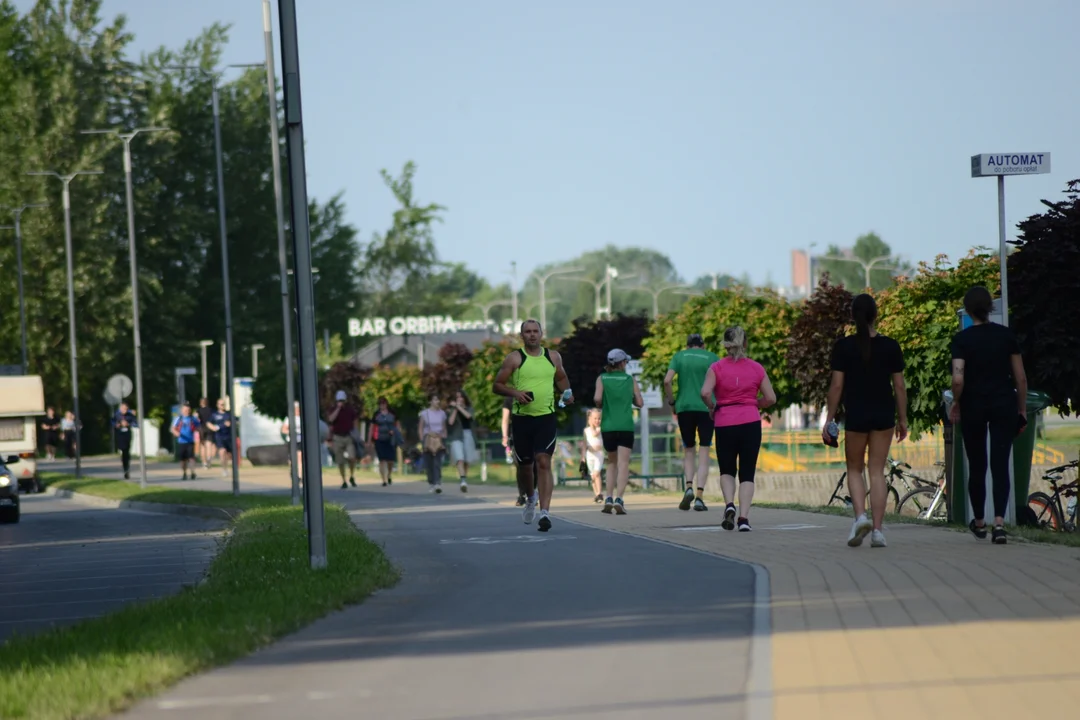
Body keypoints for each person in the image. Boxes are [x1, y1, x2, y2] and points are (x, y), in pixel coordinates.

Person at [823, 294, 908, 548]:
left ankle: (860, 517)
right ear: (875, 315)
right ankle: (878, 532)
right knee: (877, 472)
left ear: (853, 316)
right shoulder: (891, 346)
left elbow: (836, 387)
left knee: (855, 469)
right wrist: (902, 419)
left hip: (857, 415)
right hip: (884, 415)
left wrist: (829, 418)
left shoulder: (844, 347)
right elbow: (900, 387)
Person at [949, 286, 1027, 545]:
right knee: (1000, 463)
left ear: (969, 310)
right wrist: (1022, 409)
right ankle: (1000, 524)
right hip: (1004, 404)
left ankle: (980, 522)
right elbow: (1021, 378)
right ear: (990, 308)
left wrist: (956, 402)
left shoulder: (962, 340)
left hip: (973, 406)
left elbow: (958, 379)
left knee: (978, 464)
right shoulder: (1006, 336)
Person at [492, 319, 574, 532]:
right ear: (522, 336)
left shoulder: (553, 357)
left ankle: (545, 512)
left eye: (535, 331)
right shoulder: (515, 358)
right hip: (522, 419)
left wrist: (568, 393)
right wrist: (516, 393)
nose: (532, 335)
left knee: (543, 461)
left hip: (546, 417)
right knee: (525, 467)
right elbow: (497, 385)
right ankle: (530, 498)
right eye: (527, 332)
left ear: (541, 333)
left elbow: (562, 378)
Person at [701, 326, 777, 532]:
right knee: (747, 472)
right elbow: (771, 398)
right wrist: (754, 404)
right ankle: (743, 519)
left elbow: (705, 392)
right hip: (750, 422)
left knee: (726, 469)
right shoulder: (756, 368)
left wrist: (712, 407)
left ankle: (729, 505)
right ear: (745, 343)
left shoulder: (715, 368)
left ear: (725, 345)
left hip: (724, 422)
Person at [664, 333, 720, 512]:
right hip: (706, 408)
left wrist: (672, 401)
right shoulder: (711, 357)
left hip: (684, 407)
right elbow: (719, 383)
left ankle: (688, 486)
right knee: (704, 450)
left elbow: (667, 381)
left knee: (689, 449)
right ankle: (700, 496)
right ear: (702, 345)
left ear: (688, 346)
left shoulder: (679, 356)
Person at [595, 349, 644, 515]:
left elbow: (597, 399)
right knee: (624, 463)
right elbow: (640, 402)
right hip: (625, 426)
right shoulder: (630, 380)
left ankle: (608, 497)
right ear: (622, 363)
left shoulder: (602, 378)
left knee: (611, 462)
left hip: (608, 426)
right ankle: (619, 499)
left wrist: (604, 404)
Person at [447, 390, 478, 492]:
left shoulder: (469, 409)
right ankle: (463, 480)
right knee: (459, 458)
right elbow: (450, 422)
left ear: (464, 398)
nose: (459, 399)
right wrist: (455, 409)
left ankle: (464, 478)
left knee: (467, 460)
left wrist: (458, 407)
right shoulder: (453, 410)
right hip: (457, 436)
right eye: (457, 397)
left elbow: (468, 416)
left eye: (460, 397)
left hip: (468, 435)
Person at [327, 390, 359, 489]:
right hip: (337, 437)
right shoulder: (333, 409)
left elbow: (355, 420)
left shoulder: (350, 410)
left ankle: (352, 475)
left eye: (342, 401)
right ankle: (343, 480)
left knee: (352, 457)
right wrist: (337, 409)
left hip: (348, 436)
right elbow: (330, 419)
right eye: (339, 401)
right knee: (340, 460)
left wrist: (356, 433)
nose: (340, 402)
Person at [367, 396, 400, 487]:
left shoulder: (392, 413)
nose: (382, 405)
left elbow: (397, 424)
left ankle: (389, 474)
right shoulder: (376, 414)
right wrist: (369, 440)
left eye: (384, 403)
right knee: (382, 460)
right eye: (380, 403)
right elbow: (371, 427)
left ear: (386, 403)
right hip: (379, 439)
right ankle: (384, 480)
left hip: (391, 439)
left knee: (391, 460)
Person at [419, 395, 448, 493]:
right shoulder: (424, 413)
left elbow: (444, 427)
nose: (438, 401)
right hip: (428, 438)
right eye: (435, 399)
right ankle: (431, 482)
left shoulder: (442, 414)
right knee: (429, 463)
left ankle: (437, 483)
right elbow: (421, 427)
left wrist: (444, 437)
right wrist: (422, 439)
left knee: (437, 462)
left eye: (438, 399)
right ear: (430, 402)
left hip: (438, 439)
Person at [171, 403, 201, 480]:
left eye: (188, 410)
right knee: (183, 459)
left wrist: (199, 435)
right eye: (185, 410)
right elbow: (173, 428)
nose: (187, 411)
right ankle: (184, 473)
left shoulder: (193, 419)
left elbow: (199, 427)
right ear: (182, 410)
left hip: (190, 441)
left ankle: (193, 472)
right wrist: (177, 433)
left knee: (191, 458)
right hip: (181, 441)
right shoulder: (178, 418)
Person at [581, 409, 605, 502]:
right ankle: (596, 494)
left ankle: (599, 493)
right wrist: (582, 457)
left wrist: (592, 425)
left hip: (598, 454)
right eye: (595, 418)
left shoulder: (600, 429)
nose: (597, 421)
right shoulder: (586, 431)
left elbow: (595, 434)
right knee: (592, 476)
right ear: (589, 419)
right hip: (590, 455)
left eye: (599, 419)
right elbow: (584, 444)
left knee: (596, 474)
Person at [208, 399, 234, 477]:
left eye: (223, 404)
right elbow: (208, 423)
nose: (222, 406)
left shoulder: (228, 414)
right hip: (219, 437)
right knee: (222, 452)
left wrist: (230, 424)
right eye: (220, 404)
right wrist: (212, 427)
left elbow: (235, 421)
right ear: (217, 405)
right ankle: (224, 469)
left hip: (228, 437)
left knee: (229, 455)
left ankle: (230, 468)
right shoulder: (214, 415)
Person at [113, 402, 138, 479]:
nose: (125, 410)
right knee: (123, 450)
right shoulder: (116, 415)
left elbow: (136, 424)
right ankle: (124, 464)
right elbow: (112, 423)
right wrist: (119, 424)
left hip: (127, 434)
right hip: (119, 435)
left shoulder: (130, 415)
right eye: (123, 408)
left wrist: (128, 424)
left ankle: (126, 469)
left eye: (126, 409)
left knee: (126, 452)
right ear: (120, 408)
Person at [197, 398, 216, 470]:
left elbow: (196, 419)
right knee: (209, 446)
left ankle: (204, 463)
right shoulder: (211, 410)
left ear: (201, 403)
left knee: (202, 446)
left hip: (201, 429)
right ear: (207, 403)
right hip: (209, 429)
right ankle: (209, 460)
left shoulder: (198, 411)